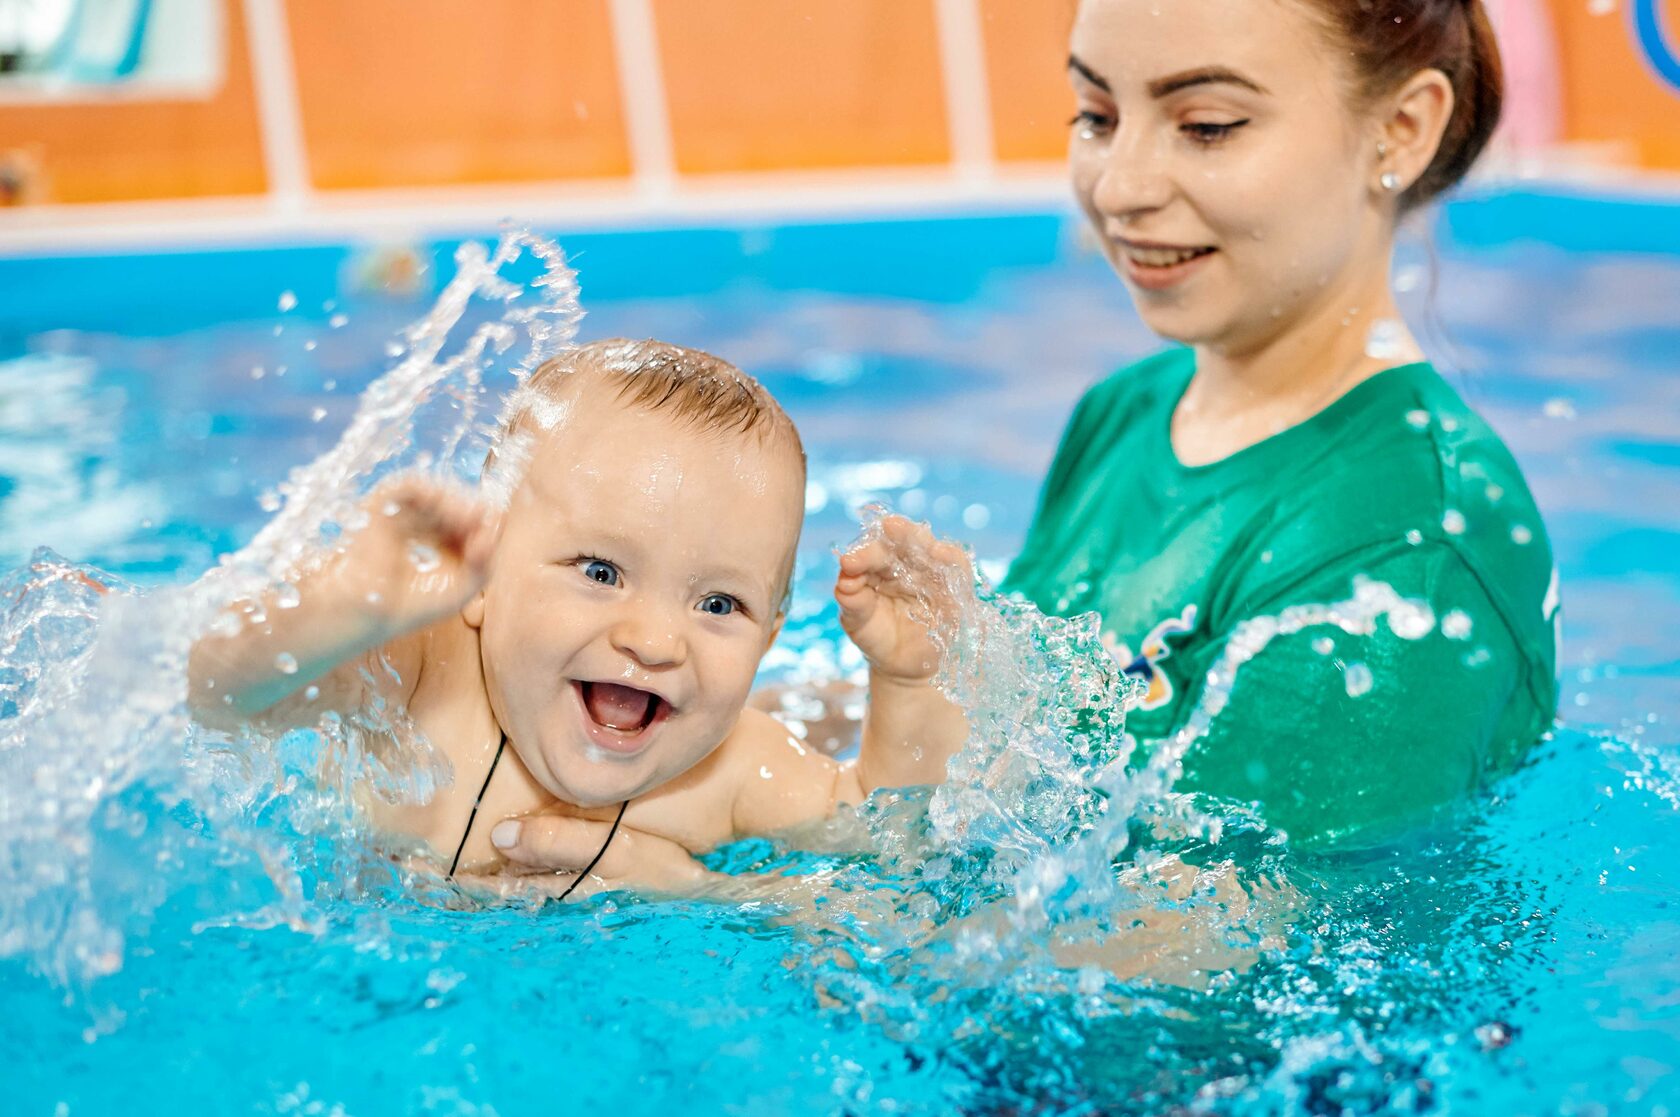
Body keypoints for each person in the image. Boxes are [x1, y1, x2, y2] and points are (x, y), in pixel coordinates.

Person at [990, 0, 1559, 850]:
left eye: (1208, 125)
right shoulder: (1125, 411)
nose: (1118, 187)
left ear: (1401, 130)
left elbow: (1190, 963)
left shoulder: (1410, 546)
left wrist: (751, 896)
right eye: (1097, 116)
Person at [188, 338, 950, 894]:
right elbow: (212, 692)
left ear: (770, 636)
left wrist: (911, 682)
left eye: (719, 603)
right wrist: (338, 612)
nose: (653, 641)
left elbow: (887, 846)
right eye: (601, 571)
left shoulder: (728, 769)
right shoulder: (419, 673)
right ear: (481, 570)